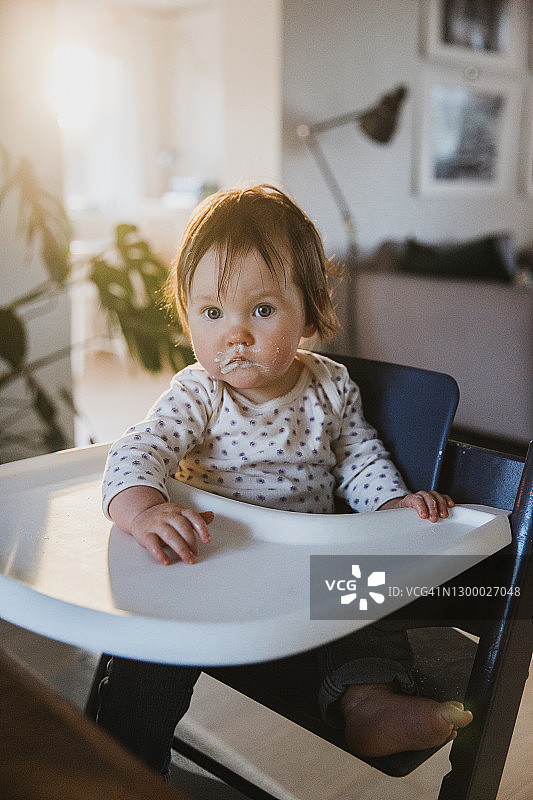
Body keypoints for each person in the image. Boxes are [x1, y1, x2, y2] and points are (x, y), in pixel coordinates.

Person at [97, 184, 472, 776]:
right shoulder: (201, 391)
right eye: (212, 312)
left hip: (304, 567)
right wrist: (143, 510)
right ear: (188, 312)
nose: (234, 334)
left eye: (262, 310)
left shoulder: (330, 385)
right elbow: (140, 449)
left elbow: (358, 459)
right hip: (214, 565)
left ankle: (370, 702)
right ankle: (124, 767)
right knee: (154, 651)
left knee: (367, 600)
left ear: (312, 309)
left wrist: (394, 506)